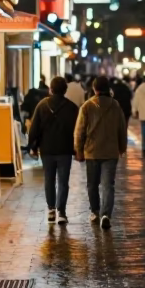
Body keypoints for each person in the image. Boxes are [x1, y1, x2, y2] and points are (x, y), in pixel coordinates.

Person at [74, 75, 128, 230]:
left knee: (92, 184)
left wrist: (78, 150)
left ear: (94, 88)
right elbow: (122, 129)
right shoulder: (115, 105)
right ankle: (106, 214)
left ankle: (95, 211)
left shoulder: (87, 106)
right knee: (108, 185)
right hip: (110, 151)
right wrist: (122, 147)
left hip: (91, 151)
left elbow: (79, 131)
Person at [27, 75, 79, 224]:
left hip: (47, 149)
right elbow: (78, 130)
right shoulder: (72, 107)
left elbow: (34, 128)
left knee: (49, 179)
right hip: (65, 149)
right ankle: (61, 212)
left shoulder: (42, 105)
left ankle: (51, 209)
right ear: (65, 90)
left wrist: (33, 147)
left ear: (51, 89)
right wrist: (78, 149)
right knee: (63, 181)